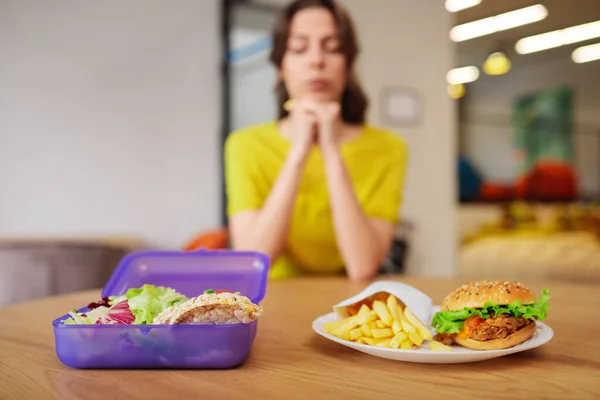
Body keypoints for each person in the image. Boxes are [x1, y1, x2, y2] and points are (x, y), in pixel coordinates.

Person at [224, 0, 408, 281]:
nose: (316, 60)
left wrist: (330, 150)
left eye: (332, 48)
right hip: (274, 299)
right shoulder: (244, 144)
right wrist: (298, 152)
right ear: (280, 66)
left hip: (352, 302)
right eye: (299, 48)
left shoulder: (389, 148)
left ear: (348, 66)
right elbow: (253, 260)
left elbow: (362, 266)